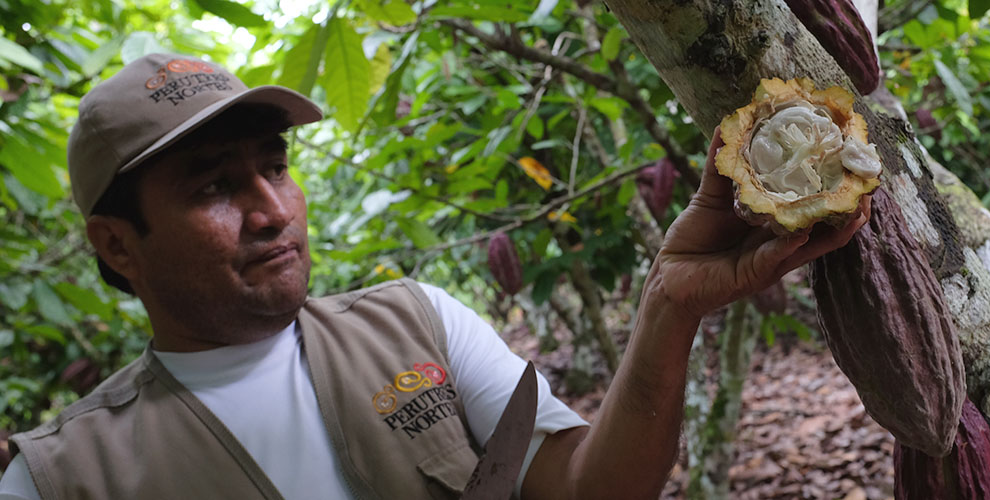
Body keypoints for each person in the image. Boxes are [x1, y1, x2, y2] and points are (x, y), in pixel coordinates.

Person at [0, 53, 868, 499]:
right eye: (215, 186)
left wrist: (669, 309)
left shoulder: (416, 322)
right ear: (118, 246)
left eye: (275, 166)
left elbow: (584, 490)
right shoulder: (59, 477)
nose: (272, 209)